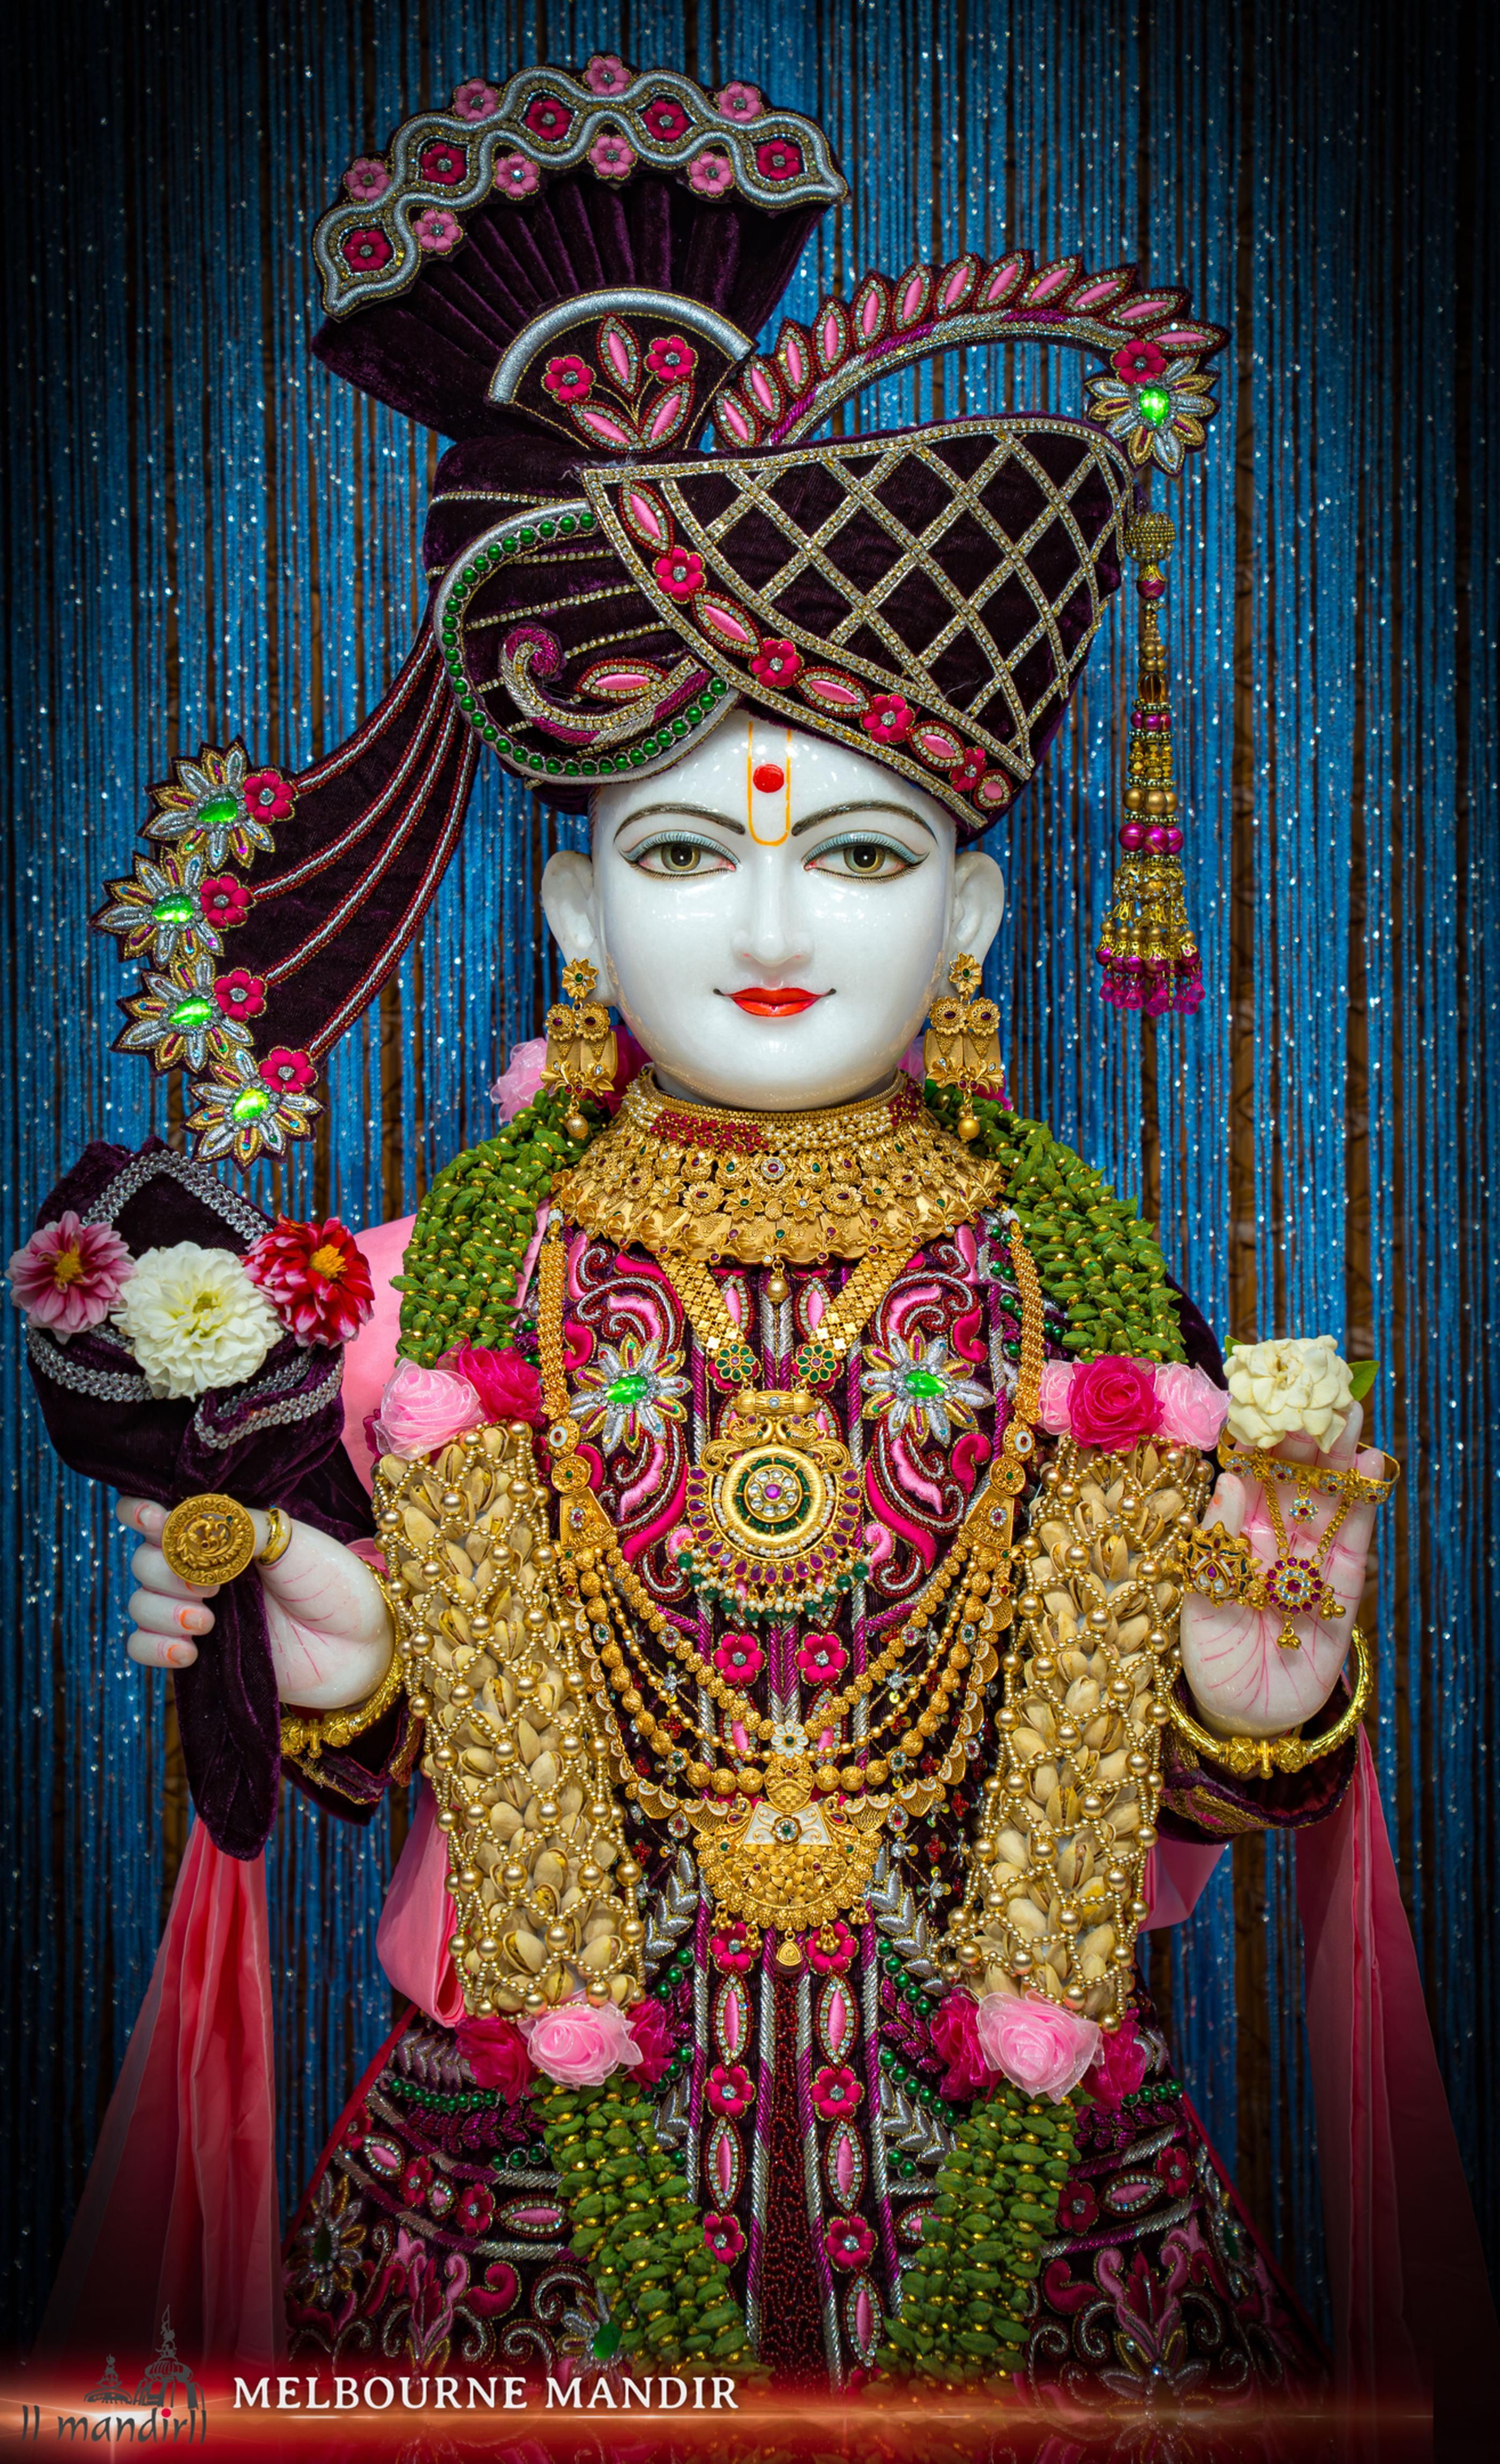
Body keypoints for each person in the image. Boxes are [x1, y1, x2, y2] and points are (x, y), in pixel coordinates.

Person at [27, 48, 1492, 2431]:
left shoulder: (1108, 1326)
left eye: (864, 852)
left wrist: (1254, 1702)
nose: (776, 920)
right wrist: (300, 1642)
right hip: (510, 2223)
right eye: (689, 854)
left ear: (982, 913)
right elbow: (360, 1767)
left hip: (1034, 2225)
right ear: (576, 910)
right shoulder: (400, 1307)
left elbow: (1191, 1809)